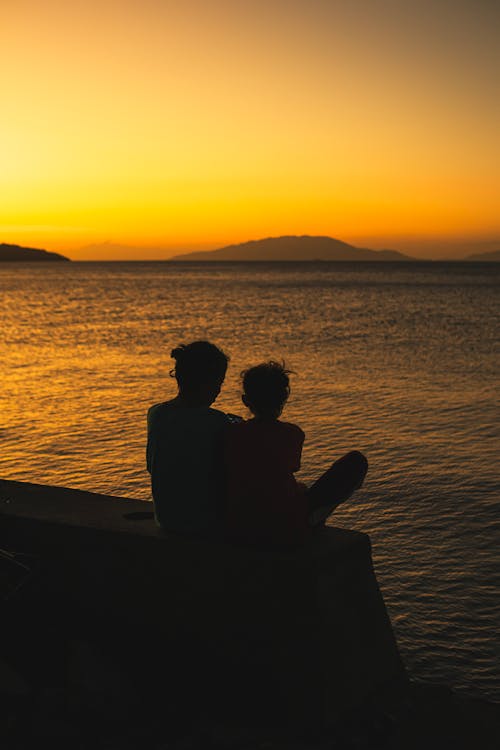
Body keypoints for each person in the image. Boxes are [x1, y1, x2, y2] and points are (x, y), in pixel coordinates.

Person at [224, 361, 368, 545]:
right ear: (284, 398)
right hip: (286, 525)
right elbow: (286, 467)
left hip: (241, 524)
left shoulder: (231, 433)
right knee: (356, 462)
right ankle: (314, 520)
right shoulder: (293, 434)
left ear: (246, 400)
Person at [147, 341, 230, 535]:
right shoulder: (218, 421)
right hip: (206, 523)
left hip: (166, 519)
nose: (219, 390)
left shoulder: (156, 414)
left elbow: (151, 466)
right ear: (209, 383)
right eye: (219, 383)